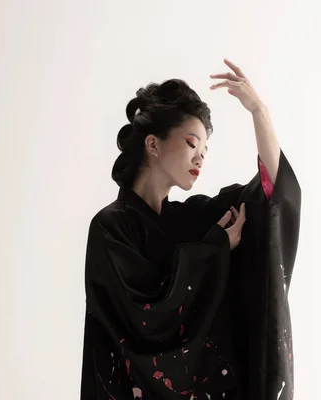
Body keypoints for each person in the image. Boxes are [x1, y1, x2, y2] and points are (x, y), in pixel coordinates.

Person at [81, 60, 301, 399]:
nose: (200, 158)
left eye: (204, 151)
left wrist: (259, 111)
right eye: (190, 143)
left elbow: (272, 193)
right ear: (153, 145)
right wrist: (214, 249)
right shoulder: (110, 228)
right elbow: (143, 321)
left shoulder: (194, 221)